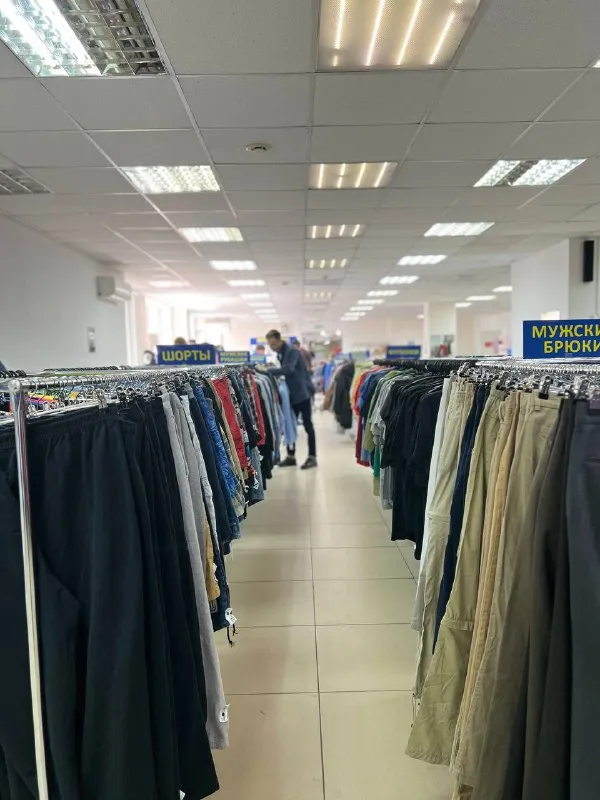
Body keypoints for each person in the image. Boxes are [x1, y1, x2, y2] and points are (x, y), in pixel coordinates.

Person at [266, 329, 317, 470]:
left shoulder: (292, 351)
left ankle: (312, 456)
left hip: (302, 393)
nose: (272, 348)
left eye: (274, 344)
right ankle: (291, 456)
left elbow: (288, 369)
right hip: (293, 394)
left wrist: (269, 371)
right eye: (270, 345)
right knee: (290, 423)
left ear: (279, 340)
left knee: (308, 425)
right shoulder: (282, 353)